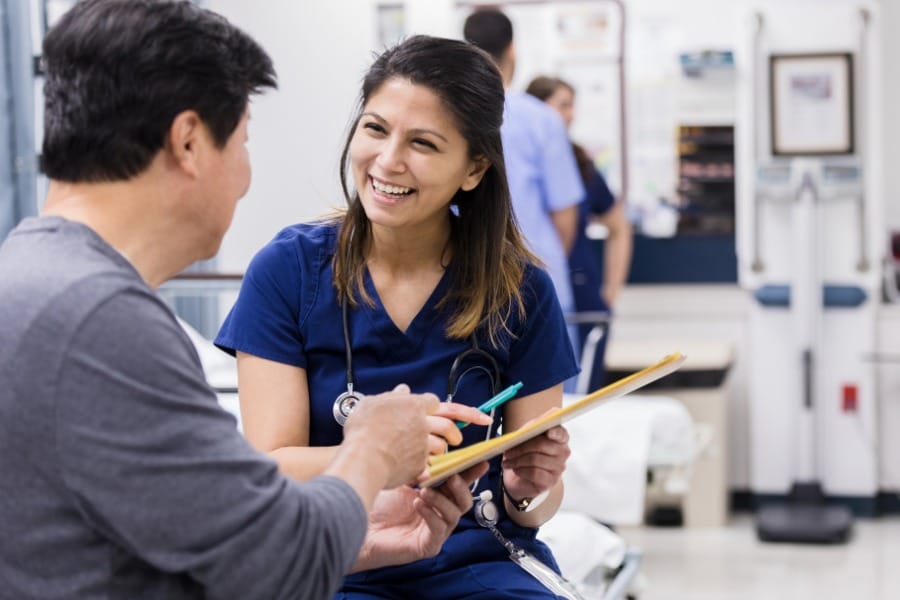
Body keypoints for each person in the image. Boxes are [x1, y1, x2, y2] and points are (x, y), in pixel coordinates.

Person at [0, 2, 481, 598]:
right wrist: (374, 448)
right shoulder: (101, 322)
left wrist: (361, 536)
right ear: (190, 142)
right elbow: (274, 564)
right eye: (244, 142)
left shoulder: (29, 278)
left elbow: (212, 543)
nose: (247, 175)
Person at [215, 35, 578, 598]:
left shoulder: (521, 291)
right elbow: (270, 471)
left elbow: (533, 511)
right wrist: (383, 451)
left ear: (474, 168)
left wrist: (527, 488)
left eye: (424, 144)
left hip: (479, 561)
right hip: (335, 559)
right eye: (375, 129)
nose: (388, 161)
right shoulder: (289, 272)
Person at [463, 9, 586, 363]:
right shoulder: (541, 120)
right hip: (540, 286)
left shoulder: (457, 118)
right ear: (513, 50)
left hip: (471, 289)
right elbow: (565, 216)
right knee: (553, 409)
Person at [526, 76, 633, 391]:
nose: (570, 115)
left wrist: (610, 293)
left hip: (583, 299)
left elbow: (619, 227)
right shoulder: (516, 160)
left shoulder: (580, 164)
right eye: (562, 105)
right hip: (538, 296)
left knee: (586, 396)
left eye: (572, 106)